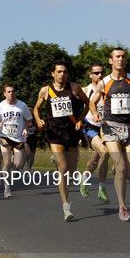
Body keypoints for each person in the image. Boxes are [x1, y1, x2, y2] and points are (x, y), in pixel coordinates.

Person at [89, 48, 130, 222]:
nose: (120, 59)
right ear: (110, 61)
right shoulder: (104, 82)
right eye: (117, 57)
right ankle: (123, 206)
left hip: (128, 129)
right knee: (121, 167)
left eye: (123, 57)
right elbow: (92, 102)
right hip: (110, 128)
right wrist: (95, 114)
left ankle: (118, 170)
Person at [33, 60, 89, 221]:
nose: (62, 74)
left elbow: (88, 103)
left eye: (64, 72)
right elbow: (36, 108)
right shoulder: (45, 90)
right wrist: (38, 120)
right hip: (54, 132)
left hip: (71, 132)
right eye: (59, 71)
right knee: (63, 168)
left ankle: (57, 160)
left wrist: (80, 119)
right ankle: (66, 207)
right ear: (53, 73)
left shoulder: (75, 88)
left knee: (70, 171)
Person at [0, 84, 33, 198]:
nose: (11, 93)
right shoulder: (0, 106)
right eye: (8, 92)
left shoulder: (22, 105)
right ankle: (6, 188)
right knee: (7, 162)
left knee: (18, 165)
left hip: (18, 138)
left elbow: (28, 120)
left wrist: (25, 129)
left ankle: (11, 165)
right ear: (4, 93)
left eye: (13, 91)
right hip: (5, 136)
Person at [80, 61, 110, 204]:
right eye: (96, 73)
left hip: (105, 127)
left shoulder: (108, 87)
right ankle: (102, 188)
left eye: (101, 72)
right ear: (90, 75)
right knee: (104, 151)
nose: (99, 75)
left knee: (95, 160)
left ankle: (84, 179)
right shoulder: (86, 90)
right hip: (89, 126)